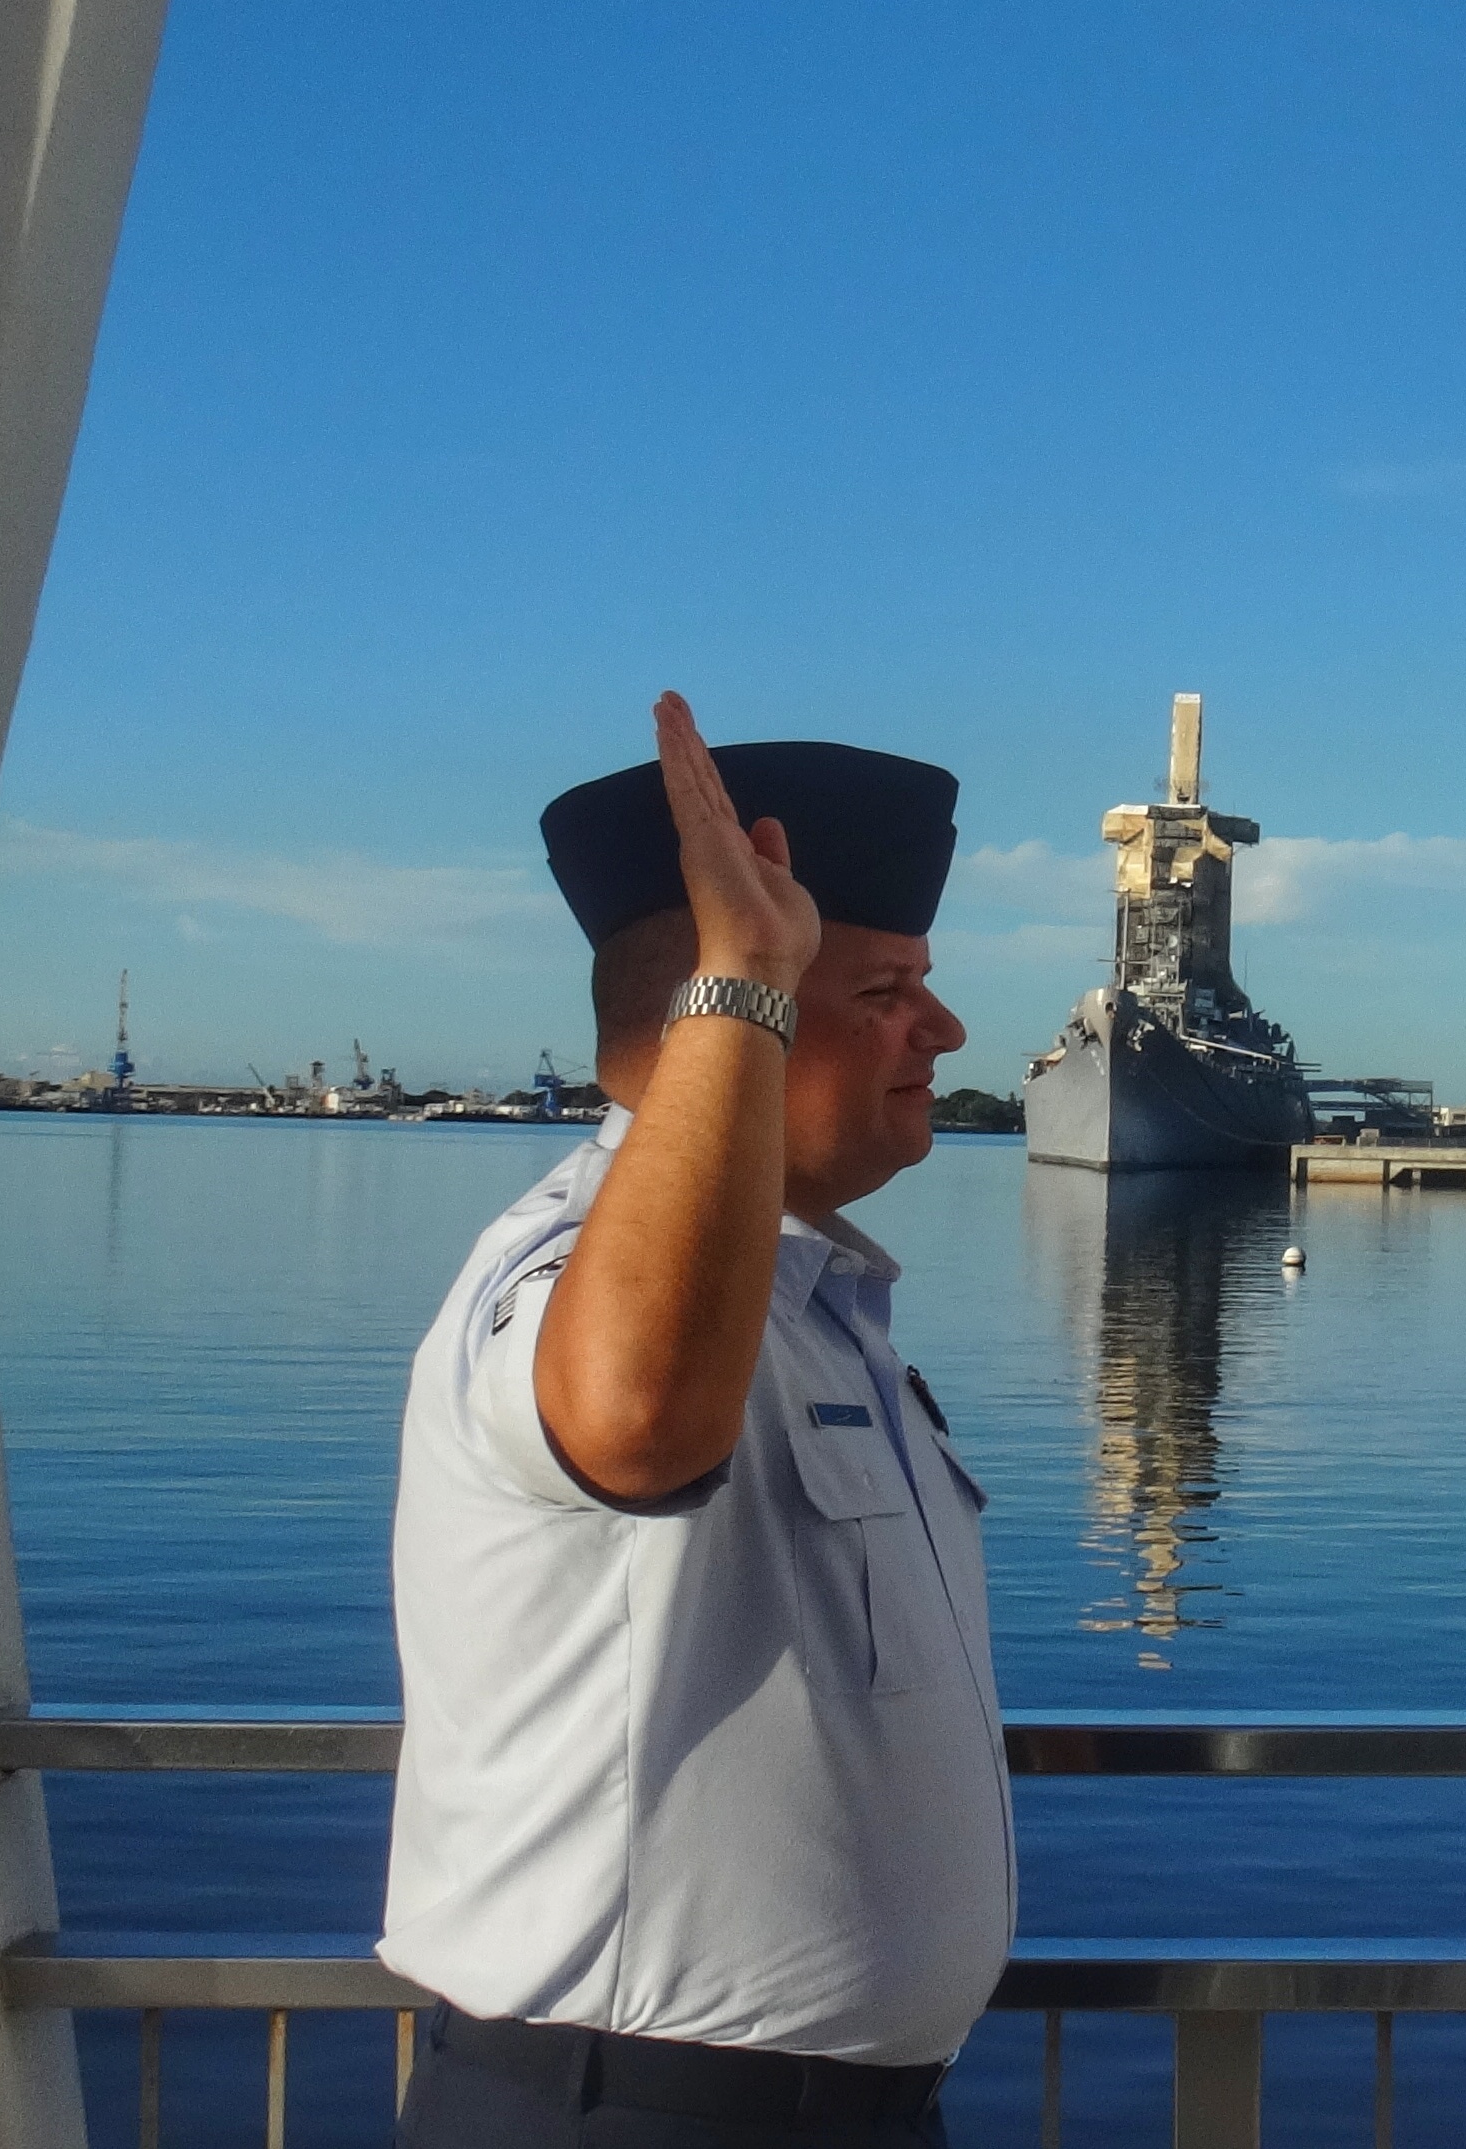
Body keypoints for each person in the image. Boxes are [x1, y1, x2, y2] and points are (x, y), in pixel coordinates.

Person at [382, 694, 1007, 2148]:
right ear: (730, 1012)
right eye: (883, 990)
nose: (948, 1028)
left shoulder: (814, 1307)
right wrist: (746, 979)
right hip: (635, 2114)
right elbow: (641, 1416)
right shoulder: (564, 1270)